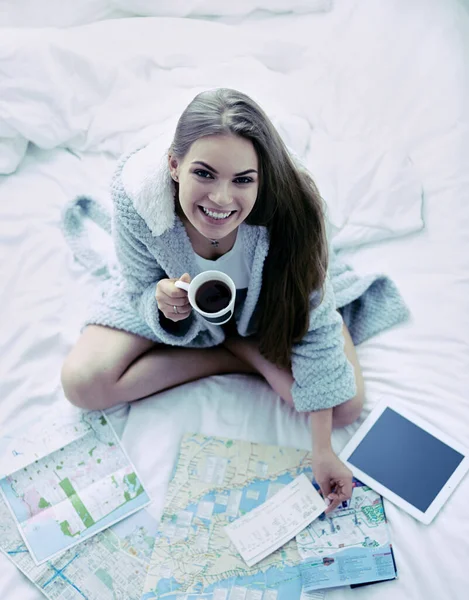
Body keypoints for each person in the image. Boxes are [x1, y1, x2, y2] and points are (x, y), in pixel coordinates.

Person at [61, 88, 407, 512]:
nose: (222, 200)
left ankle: (241, 345)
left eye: (243, 180)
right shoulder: (138, 200)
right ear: (174, 164)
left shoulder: (296, 213)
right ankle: (232, 354)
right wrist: (160, 303)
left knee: (346, 407)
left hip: (266, 309)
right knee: (82, 383)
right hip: (187, 313)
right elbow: (138, 286)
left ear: (263, 178)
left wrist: (323, 450)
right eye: (204, 174)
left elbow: (314, 323)